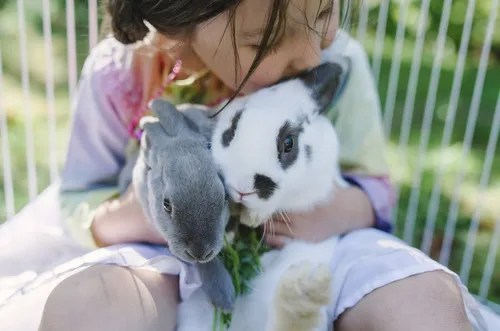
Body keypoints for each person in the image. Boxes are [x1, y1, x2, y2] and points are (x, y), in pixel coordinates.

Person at [0, 0, 486, 330]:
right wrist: (144, 212)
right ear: (179, 27)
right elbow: (79, 199)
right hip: (173, 257)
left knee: (425, 301)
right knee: (93, 304)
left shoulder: (338, 62)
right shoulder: (120, 75)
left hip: (318, 244)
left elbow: (375, 189)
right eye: (264, 42)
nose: (311, 52)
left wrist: (337, 212)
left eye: (323, 10)